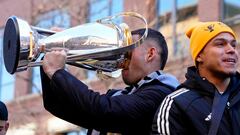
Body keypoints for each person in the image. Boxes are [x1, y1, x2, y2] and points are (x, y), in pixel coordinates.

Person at [40, 28, 179, 135]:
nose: (120, 57)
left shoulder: (162, 95)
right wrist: (50, 54)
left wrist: (58, 72)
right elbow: (57, 105)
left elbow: (104, 109)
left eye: (127, 50)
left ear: (150, 54)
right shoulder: (119, 96)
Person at [152, 21, 240, 135]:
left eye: (233, 45)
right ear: (199, 55)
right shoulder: (177, 104)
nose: (231, 50)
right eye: (220, 44)